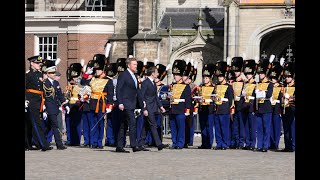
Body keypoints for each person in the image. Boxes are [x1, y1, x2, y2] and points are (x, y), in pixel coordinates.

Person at [81, 55, 114, 149]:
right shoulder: (92, 79)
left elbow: (110, 94)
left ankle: (100, 142)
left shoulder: (108, 80)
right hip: (93, 103)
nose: (97, 71)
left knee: (100, 123)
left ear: (102, 70)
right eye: (96, 70)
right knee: (93, 123)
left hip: (102, 103)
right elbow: (83, 83)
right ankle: (93, 141)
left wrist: (109, 105)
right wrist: (86, 74)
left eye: (99, 70)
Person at [115, 57, 145, 153]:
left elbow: (137, 90)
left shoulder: (134, 76)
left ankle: (119, 146)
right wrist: (120, 102)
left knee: (123, 125)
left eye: (136, 64)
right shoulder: (124, 75)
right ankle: (134, 145)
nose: (136, 66)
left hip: (132, 104)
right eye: (134, 64)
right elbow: (119, 89)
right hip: (125, 103)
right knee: (132, 123)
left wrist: (141, 101)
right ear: (129, 65)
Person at [138, 66, 169, 151]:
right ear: (152, 73)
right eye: (156, 72)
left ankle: (140, 143)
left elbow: (155, 96)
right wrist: (144, 109)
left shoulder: (153, 83)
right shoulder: (145, 83)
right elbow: (142, 97)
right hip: (148, 108)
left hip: (154, 107)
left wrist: (161, 106)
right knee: (153, 125)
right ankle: (158, 144)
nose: (158, 74)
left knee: (146, 126)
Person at [25, 55, 52, 151]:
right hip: (31, 101)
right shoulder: (28, 75)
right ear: (32, 64)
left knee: (31, 123)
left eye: (39, 63)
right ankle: (43, 144)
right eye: (37, 63)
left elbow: (43, 89)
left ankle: (30, 144)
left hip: (39, 101)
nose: (39, 65)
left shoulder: (40, 74)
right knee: (37, 123)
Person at [43, 58, 68, 150]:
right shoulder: (45, 83)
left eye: (54, 72)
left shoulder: (56, 82)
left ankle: (40, 141)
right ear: (48, 74)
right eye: (52, 73)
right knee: (55, 125)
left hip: (56, 107)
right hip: (49, 107)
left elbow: (60, 95)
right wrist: (44, 108)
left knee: (48, 127)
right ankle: (59, 144)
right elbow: (44, 96)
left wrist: (65, 104)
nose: (54, 74)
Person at [168, 59, 191, 149]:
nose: (175, 77)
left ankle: (180, 143)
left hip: (181, 109)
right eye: (175, 75)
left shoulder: (186, 86)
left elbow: (188, 100)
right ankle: (174, 142)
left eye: (177, 75)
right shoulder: (172, 85)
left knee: (181, 128)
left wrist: (187, 111)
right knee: (173, 128)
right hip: (173, 109)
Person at [254, 56, 274, 152]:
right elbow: (255, 95)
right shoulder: (258, 83)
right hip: (259, 108)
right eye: (260, 73)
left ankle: (265, 146)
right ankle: (260, 145)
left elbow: (269, 94)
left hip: (266, 108)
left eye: (262, 73)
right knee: (259, 128)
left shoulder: (270, 84)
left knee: (266, 128)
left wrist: (260, 93)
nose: (260, 75)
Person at [213, 61, 234, 150]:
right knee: (217, 128)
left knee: (224, 128)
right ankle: (219, 143)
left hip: (224, 108)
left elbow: (230, 99)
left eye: (221, 76)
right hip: (217, 108)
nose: (219, 78)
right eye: (218, 77)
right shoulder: (216, 86)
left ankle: (225, 144)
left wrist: (229, 109)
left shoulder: (229, 87)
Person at [195, 63, 216, 149]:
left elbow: (214, 98)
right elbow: (196, 97)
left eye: (206, 78)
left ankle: (209, 143)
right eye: (204, 78)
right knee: (202, 127)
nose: (204, 79)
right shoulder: (200, 87)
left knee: (209, 126)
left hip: (210, 109)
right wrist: (197, 99)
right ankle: (204, 143)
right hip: (202, 108)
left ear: (210, 79)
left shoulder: (214, 87)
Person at [228, 57, 245, 149]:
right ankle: (235, 141)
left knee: (241, 125)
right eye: (235, 71)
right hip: (233, 105)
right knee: (234, 125)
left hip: (241, 105)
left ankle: (241, 142)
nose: (236, 73)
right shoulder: (232, 82)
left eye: (237, 71)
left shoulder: (244, 82)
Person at [241, 59, 257, 150]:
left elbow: (255, 96)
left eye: (249, 74)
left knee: (252, 126)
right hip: (245, 106)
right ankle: (247, 143)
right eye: (246, 74)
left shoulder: (255, 84)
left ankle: (252, 143)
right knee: (246, 126)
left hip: (251, 106)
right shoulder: (245, 84)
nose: (247, 75)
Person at [268, 58, 284, 151]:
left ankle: (276, 143)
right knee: (270, 125)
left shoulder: (281, 86)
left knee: (276, 126)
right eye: (272, 78)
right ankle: (271, 143)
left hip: (277, 107)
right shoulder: (270, 86)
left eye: (274, 78)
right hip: (270, 106)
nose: (273, 80)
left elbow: (281, 98)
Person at [280, 59, 295, 152]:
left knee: (292, 129)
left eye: (289, 77)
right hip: (284, 109)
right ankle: (287, 146)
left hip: (292, 109)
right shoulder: (284, 86)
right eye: (286, 77)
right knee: (286, 129)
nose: (287, 78)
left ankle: (293, 146)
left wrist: (290, 97)